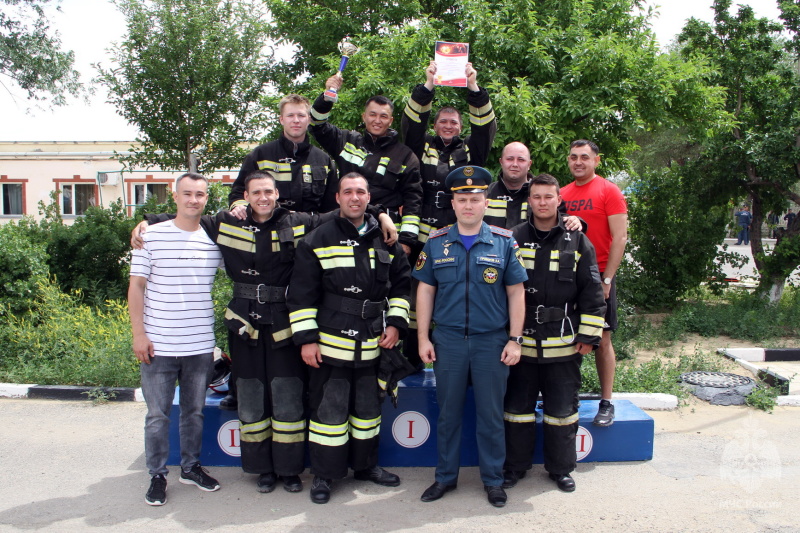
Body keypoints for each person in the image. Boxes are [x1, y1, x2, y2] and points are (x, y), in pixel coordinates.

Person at [132, 171, 397, 495]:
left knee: (287, 398)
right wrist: (148, 220)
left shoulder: (298, 221)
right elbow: (189, 214)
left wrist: (380, 213)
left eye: (268, 192)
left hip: (283, 322)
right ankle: (263, 470)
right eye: (256, 192)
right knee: (252, 398)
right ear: (246, 195)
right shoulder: (227, 222)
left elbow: (347, 209)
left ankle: (288, 470)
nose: (263, 198)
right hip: (244, 324)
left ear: (276, 194)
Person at [287, 172, 412, 504]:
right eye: (348, 192)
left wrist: (397, 324)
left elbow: (402, 285)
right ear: (338, 198)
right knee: (329, 411)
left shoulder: (386, 238)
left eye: (360, 192)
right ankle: (325, 476)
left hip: (374, 341)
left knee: (368, 410)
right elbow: (300, 296)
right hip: (331, 342)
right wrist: (307, 340)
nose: (354, 197)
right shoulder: (317, 239)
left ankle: (365, 466)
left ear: (369, 198)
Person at [414, 166, 527, 508]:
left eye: (475, 199)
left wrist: (515, 339)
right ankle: (445, 477)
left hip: (491, 343)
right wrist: (423, 337)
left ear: (485, 202)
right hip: (448, 341)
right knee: (448, 413)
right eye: (462, 199)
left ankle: (493, 480)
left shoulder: (504, 242)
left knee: (491, 415)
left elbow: (517, 293)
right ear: (453, 202)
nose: (468, 205)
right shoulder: (436, 242)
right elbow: (424, 292)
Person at [502, 173, 606, 494]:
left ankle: (561, 469)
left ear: (559, 200)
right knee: (516, 410)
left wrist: (589, 337)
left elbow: (593, 292)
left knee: (562, 411)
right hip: (523, 346)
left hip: (564, 346)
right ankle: (516, 467)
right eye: (537, 197)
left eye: (549, 197)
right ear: (529, 200)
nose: (543, 202)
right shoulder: (512, 238)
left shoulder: (577, 239)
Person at [129, 172, 224, 506]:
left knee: (194, 412)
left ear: (206, 199)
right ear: (175, 197)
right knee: (157, 415)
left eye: (200, 194)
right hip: (159, 345)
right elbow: (136, 287)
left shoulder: (215, 239)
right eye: (187, 193)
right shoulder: (150, 237)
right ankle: (157, 474)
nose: (193, 200)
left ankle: (191, 467)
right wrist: (139, 334)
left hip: (199, 345)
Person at [400, 60, 497, 370]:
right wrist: (428, 84)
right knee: (416, 302)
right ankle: (412, 363)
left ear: (460, 126)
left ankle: (458, 364)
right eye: (443, 121)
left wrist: (473, 86)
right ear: (435, 124)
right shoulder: (420, 146)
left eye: (454, 122)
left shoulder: (470, 151)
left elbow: (485, 128)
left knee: (458, 300)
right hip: (418, 238)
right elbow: (411, 123)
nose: (448, 126)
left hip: (455, 237)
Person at [310, 74, 423, 254]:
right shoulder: (346, 141)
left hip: (386, 233)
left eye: (383, 116)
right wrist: (328, 95)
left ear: (391, 120)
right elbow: (316, 124)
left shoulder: (406, 156)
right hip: (345, 226)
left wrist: (407, 241)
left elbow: (413, 201)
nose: (377, 120)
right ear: (364, 116)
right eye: (372, 114)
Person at [560, 140, 627, 427]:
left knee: (602, 340)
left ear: (596, 161)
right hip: (565, 277)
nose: (578, 162)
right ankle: (565, 397)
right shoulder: (560, 193)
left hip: (598, 276)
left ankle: (607, 402)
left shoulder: (609, 191)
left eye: (584, 157)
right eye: (574, 157)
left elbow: (620, 238)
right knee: (565, 339)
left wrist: (607, 279)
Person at [228, 94, 338, 214]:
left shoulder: (323, 160)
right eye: (290, 115)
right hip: (269, 229)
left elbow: (332, 206)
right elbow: (239, 192)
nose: (296, 120)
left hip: (312, 229)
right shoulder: (260, 155)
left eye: (301, 115)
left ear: (309, 119)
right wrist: (239, 207)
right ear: (281, 119)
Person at [484, 142, 534, 228]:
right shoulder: (485, 194)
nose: (515, 164)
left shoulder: (540, 195)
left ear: (529, 164)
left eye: (521, 160)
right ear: (501, 162)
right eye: (510, 159)